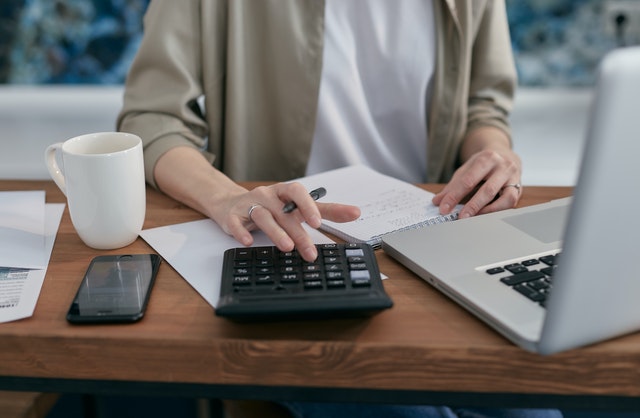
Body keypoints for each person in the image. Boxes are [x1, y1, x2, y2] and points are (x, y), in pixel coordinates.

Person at [118, 1, 558, 417]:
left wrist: (495, 155)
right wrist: (227, 196)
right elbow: (153, 118)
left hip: (431, 243)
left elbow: (484, 106)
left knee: (528, 406)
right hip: (292, 250)